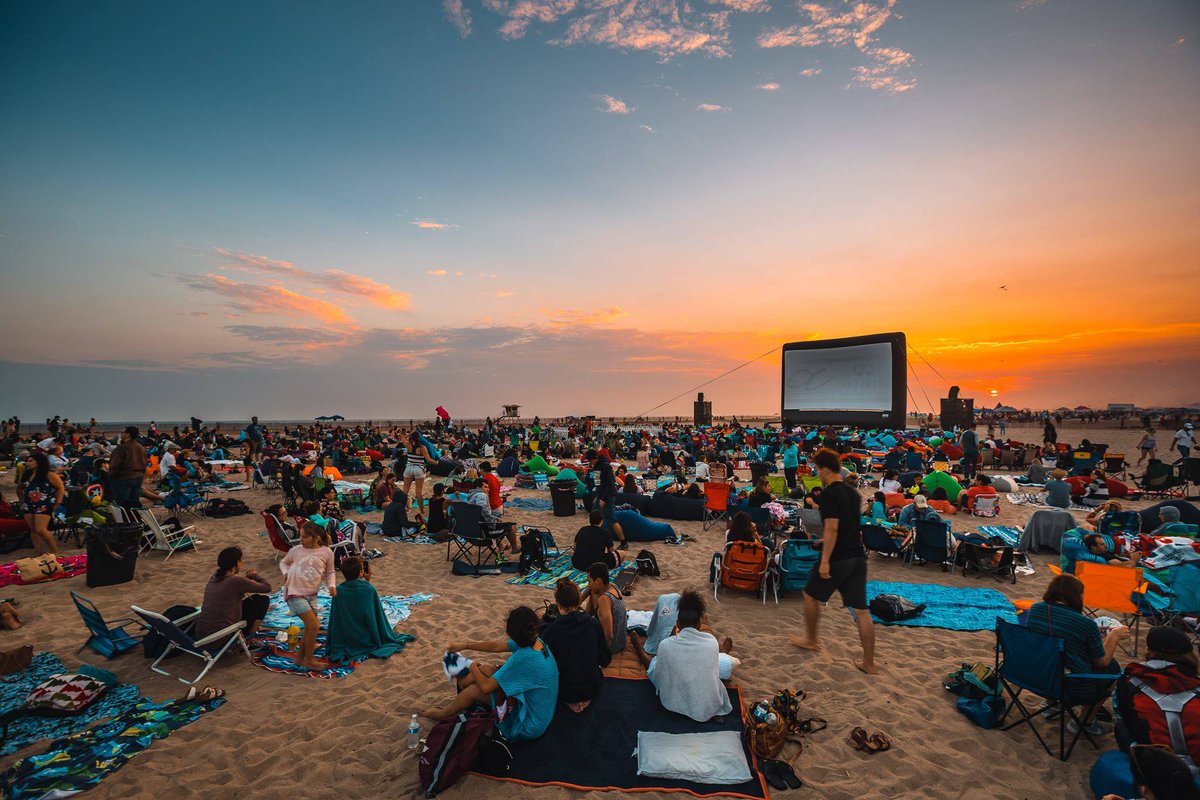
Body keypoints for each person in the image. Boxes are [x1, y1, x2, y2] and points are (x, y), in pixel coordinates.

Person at [790, 448, 877, 675]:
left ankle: (811, 639)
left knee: (810, 596)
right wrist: (824, 543)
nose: (817, 474)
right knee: (861, 610)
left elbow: (832, 527)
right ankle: (869, 663)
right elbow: (849, 526)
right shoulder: (853, 493)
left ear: (826, 470)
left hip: (838, 557)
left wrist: (826, 559)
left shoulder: (829, 494)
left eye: (818, 470)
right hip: (858, 556)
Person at [425, 606, 559, 742]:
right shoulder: (536, 641)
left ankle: (444, 713)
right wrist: (465, 645)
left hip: (529, 724)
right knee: (487, 668)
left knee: (474, 690)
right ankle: (463, 684)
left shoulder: (522, 658)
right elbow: (496, 646)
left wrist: (471, 664)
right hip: (541, 710)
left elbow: (486, 687)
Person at [1026, 574, 1126, 733]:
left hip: (1034, 676)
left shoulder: (1036, 609)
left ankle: (1052, 705)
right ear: (1076, 596)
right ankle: (1083, 723)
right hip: (1072, 686)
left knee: (1054, 656)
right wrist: (1113, 636)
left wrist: (1089, 636)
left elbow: (1062, 635)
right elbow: (1101, 662)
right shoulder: (1085, 624)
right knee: (1114, 669)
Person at [1113, 625, 1200, 767]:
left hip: (1152, 759)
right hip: (1195, 759)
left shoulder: (1129, 679)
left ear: (1148, 650)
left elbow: (1121, 713)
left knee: (1121, 727)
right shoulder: (1195, 682)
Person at [643, 589, 733, 722]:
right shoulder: (711, 641)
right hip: (708, 707)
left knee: (655, 665)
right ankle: (724, 653)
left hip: (673, 706)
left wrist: (639, 648)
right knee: (715, 672)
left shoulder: (666, 645)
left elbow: (658, 677)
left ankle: (638, 650)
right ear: (700, 624)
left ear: (678, 623)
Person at [539, 578, 611, 713]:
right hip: (592, 687)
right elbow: (605, 659)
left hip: (565, 691)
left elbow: (544, 666)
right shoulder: (593, 623)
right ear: (578, 602)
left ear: (558, 604)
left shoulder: (551, 631)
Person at [326, 556, 412, 662]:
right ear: (361, 573)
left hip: (346, 637)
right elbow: (375, 616)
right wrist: (367, 581)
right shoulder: (369, 589)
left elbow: (335, 619)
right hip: (366, 637)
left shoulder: (338, 590)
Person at [279, 521, 337, 670]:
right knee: (314, 626)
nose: (301, 540)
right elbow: (283, 563)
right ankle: (309, 660)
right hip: (293, 592)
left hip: (312, 595)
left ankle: (299, 658)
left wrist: (331, 585)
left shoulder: (326, 552)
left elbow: (330, 572)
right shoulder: (296, 550)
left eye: (304, 537)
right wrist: (286, 573)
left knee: (310, 628)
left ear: (316, 538)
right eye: (300, 536)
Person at [195, 546, 271, 639]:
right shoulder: (235, 581)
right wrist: (255, 575)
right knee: (262, 601)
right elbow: (267, 587)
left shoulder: (214, 577)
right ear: (237, 562)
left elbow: (231, 589)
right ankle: (250, 640)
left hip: (202, 633)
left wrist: (246, 579)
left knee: (256, 599)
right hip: (221, 637)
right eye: (241, 561)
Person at [20, 451, 63, 556]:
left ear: (39, 462)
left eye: (31, 461)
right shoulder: (27, 474)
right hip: (28, 503)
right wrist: (21, 500)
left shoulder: (49, 475)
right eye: (27, 461)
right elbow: (19, 488)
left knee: (40, 529)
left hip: (44, 503)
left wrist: (58, 501)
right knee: (33, 529)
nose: (28, 463)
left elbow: (60, 487)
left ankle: (55, 551)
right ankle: (38, 552)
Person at [582, 561, 627, 655]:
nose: (588, 585)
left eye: (589, 581)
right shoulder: (613, 586)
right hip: (621, 642)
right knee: (594, 594)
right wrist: (588, 591)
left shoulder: (604, 600)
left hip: (611, 646)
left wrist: (602, 655)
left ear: (598, 581)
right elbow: (582, 606)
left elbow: (609, 635)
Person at [1061, 531, 1141, 574]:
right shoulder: (1103, 558)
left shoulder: (1103, 552)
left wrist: (1130, 556)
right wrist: (1134, 560)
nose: (1106, 545)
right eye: (1102, 544)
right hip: (1134, 571)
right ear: (1093, 547)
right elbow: (1125, 569)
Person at [107, 426, 147, 509]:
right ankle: (135, 520)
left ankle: (126, 520)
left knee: (122, 505)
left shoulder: (122, 448)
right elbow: (144, 463)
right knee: (134, 503)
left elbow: (114, 466)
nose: (121, 434)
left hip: (123, 479)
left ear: (128, 434)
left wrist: (110, 478)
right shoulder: (140, 447)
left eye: (123, 432)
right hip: (138, 478)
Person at [401, 432, 431, 522]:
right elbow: (428, 459)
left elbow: (401, 437)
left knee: (405, 491)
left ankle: (401, 508)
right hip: (418, 469)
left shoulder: (408, 445)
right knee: (418, 492)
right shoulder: (422, 448)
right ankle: (421, 511)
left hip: (409, 468)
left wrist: (408, 434)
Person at [586, 449, 617, 532]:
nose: (589, 463)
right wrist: (597, 496)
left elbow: (610, 484)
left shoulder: (605, 466)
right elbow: (597, 484)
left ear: (592, 459)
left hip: (609, 494)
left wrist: (603, 498)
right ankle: (595, 532)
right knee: (594, 513)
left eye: (589, 461)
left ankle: (623, 541)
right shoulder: (595, 468)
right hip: (601, 494)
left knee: (611, 518)